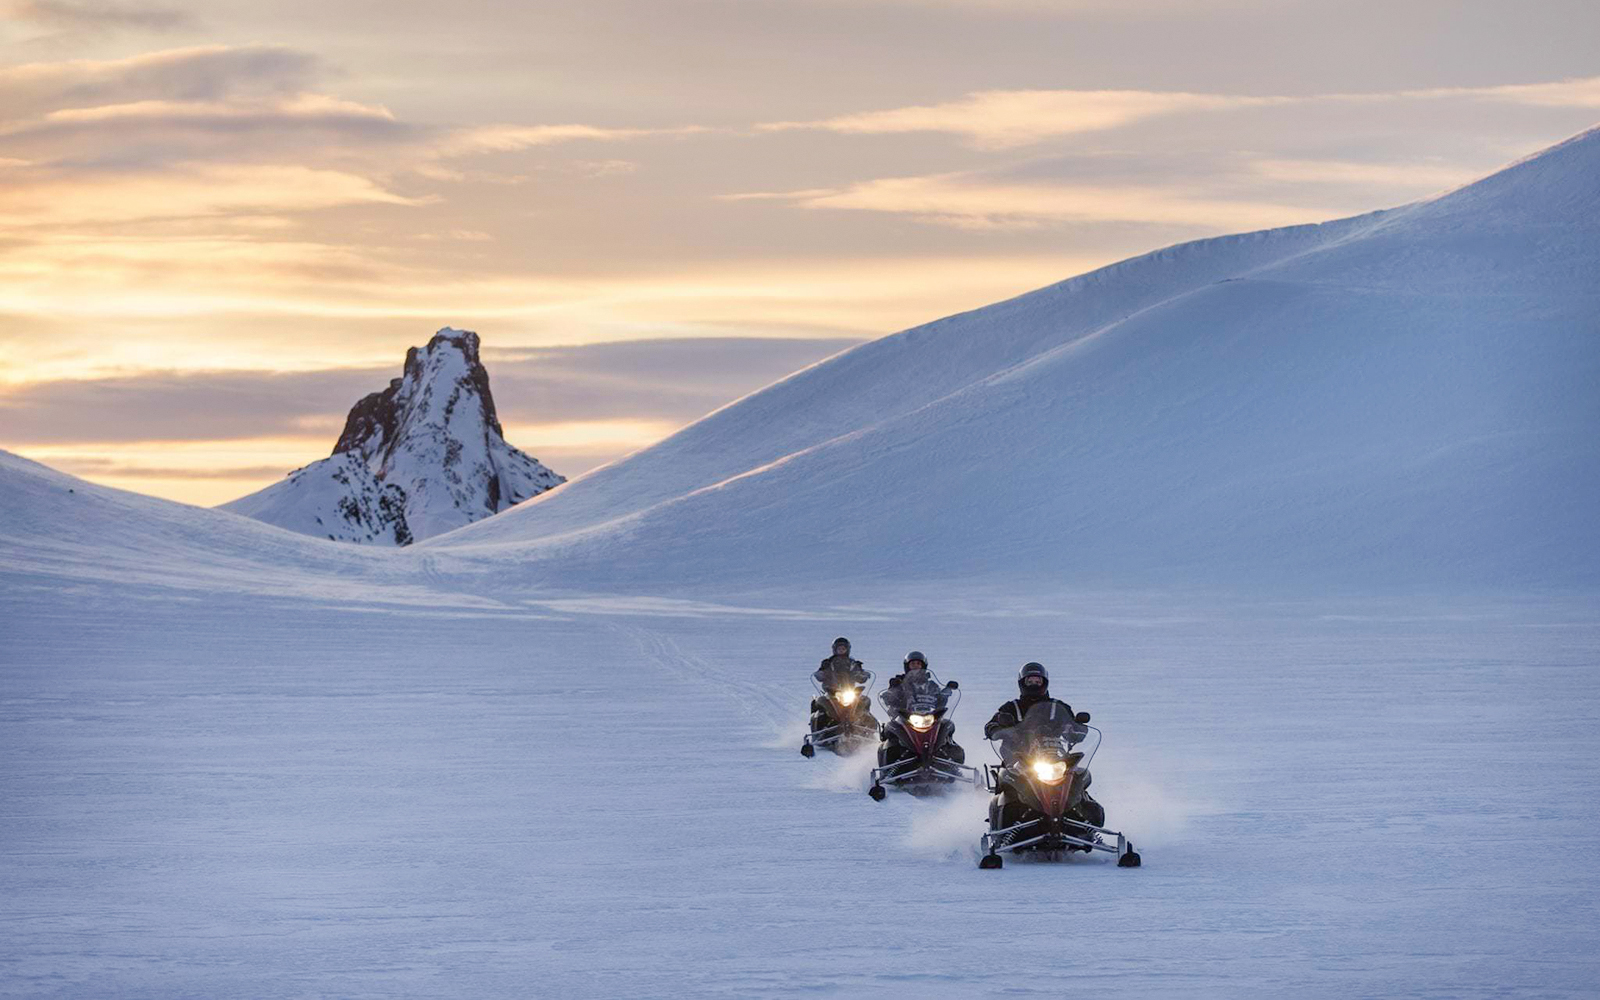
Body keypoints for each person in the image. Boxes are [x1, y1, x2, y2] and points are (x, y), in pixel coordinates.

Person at [984, 662, 1103, 826]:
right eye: (1030, 681)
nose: (1034, 684)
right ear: (1022, 683)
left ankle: (1084, 820)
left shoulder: (1058, 706)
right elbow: (990, 726)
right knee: (1008, 780)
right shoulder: (1011, 707)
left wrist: (1076, 731)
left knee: (1080, 778)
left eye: (1037, 681)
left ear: (1044, 682)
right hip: (1018, 759)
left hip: (1055, 757)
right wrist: (1001, 729)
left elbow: (1074, 725)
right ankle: (1003, 824)